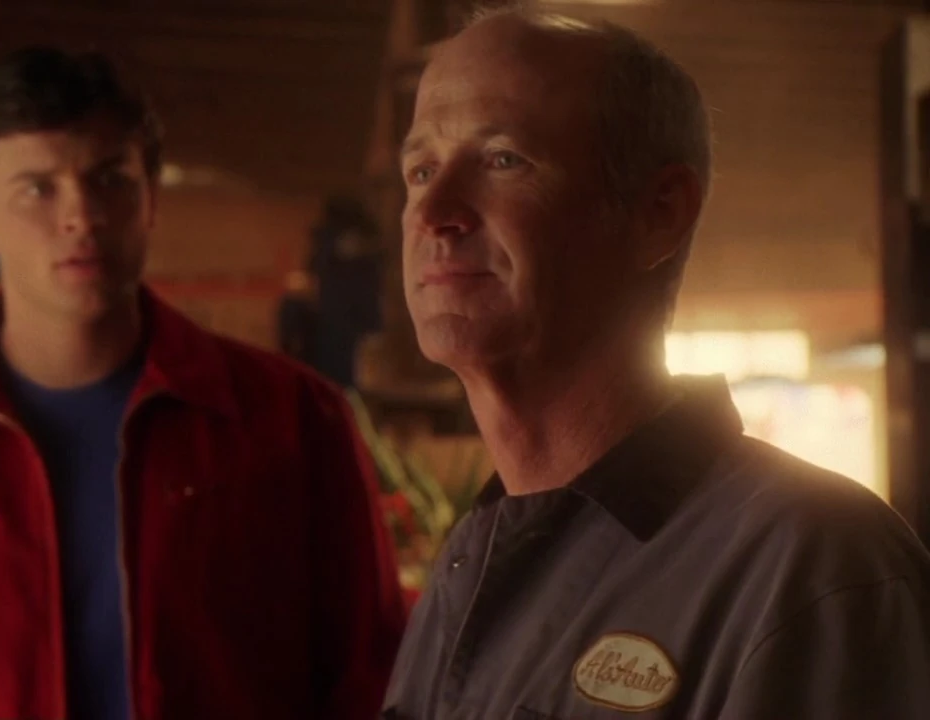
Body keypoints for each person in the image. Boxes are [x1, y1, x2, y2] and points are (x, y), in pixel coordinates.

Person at [0, 47, 406, 720]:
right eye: (38, 189)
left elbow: (373, 682)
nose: (81, 216)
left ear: (149, 201)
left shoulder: (295, 421)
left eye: (110, 180)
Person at [383, 7, 930, 719]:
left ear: (660, 212)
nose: (435, 212)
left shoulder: (811, 569)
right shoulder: (473, 558)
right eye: (422, 170)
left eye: (503, 160)